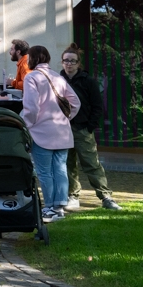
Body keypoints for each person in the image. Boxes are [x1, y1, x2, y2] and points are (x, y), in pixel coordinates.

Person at [21, 44, 81, 222]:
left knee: (45, 172)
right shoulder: (58, 76)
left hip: (41, 132)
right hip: (62, 131)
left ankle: (49, 207)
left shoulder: (31, 77)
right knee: (60, 169)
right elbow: (75, 102)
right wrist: (65, 118)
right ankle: (59, 207)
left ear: (32, 59)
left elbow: (31, 107)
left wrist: (28, 124)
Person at [60, 44, 121, 211]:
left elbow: (97, 106)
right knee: (68, 164)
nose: (69, 64)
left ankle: (106, 197)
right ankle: (73, 196)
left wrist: (90, 126)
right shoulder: (57, 80)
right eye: (66, 60)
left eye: (72, 61)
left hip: (82, 129)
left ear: (78, 63)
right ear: (62, 62)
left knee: (91, 163)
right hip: (62, 129)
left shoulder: (88, 81)